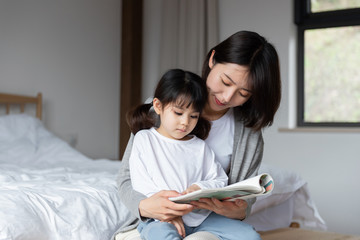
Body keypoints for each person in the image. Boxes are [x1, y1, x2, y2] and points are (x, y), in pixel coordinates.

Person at [116, 30, 281, 240]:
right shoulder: (160, 111)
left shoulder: (248, 136)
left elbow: (242, 200)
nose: (227, 96)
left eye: (243, 93)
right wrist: (148, 207)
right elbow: (126, 179)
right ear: (212, 59)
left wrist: (238, 210)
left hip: (208, 220)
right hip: (157, 218)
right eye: (226, 81)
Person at [127, 69, 230, 239]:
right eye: (178, 113)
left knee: (247, 233)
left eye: (194, 116)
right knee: (160, 235)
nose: (185, 122)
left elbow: (220, 180)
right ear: (158, 106)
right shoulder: (144, 139)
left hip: (200, 219)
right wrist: (168, 210)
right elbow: (140, 184)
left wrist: (200, 187)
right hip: (159, 218)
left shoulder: (199, 146)